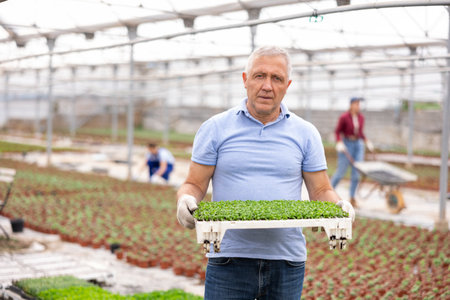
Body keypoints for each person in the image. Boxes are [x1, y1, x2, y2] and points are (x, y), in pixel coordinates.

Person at [176, 46, 355, 300]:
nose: (267, 86)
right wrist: (185, 200)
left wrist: (339, 208)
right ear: (245, 80)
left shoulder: (305, 133)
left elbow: (321, 190)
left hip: (287, 262)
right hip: (229, 260)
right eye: (259, 76)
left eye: (277, 78)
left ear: (287, 85)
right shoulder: (215, 128)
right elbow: (194, 183)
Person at [331, 97, 374, 208]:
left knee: (357, 172)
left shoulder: (361, 118)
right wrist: (339, 142)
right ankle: (329, 194)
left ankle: (352, 198)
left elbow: (360, 132)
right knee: (341, 171)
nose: (358, 106)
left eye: (359, 104)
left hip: (358, 144)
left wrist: (366, 141)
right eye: (356, 104)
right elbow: (337, 131)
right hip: (347, 144)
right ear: (351, 105)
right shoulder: (344, 117)